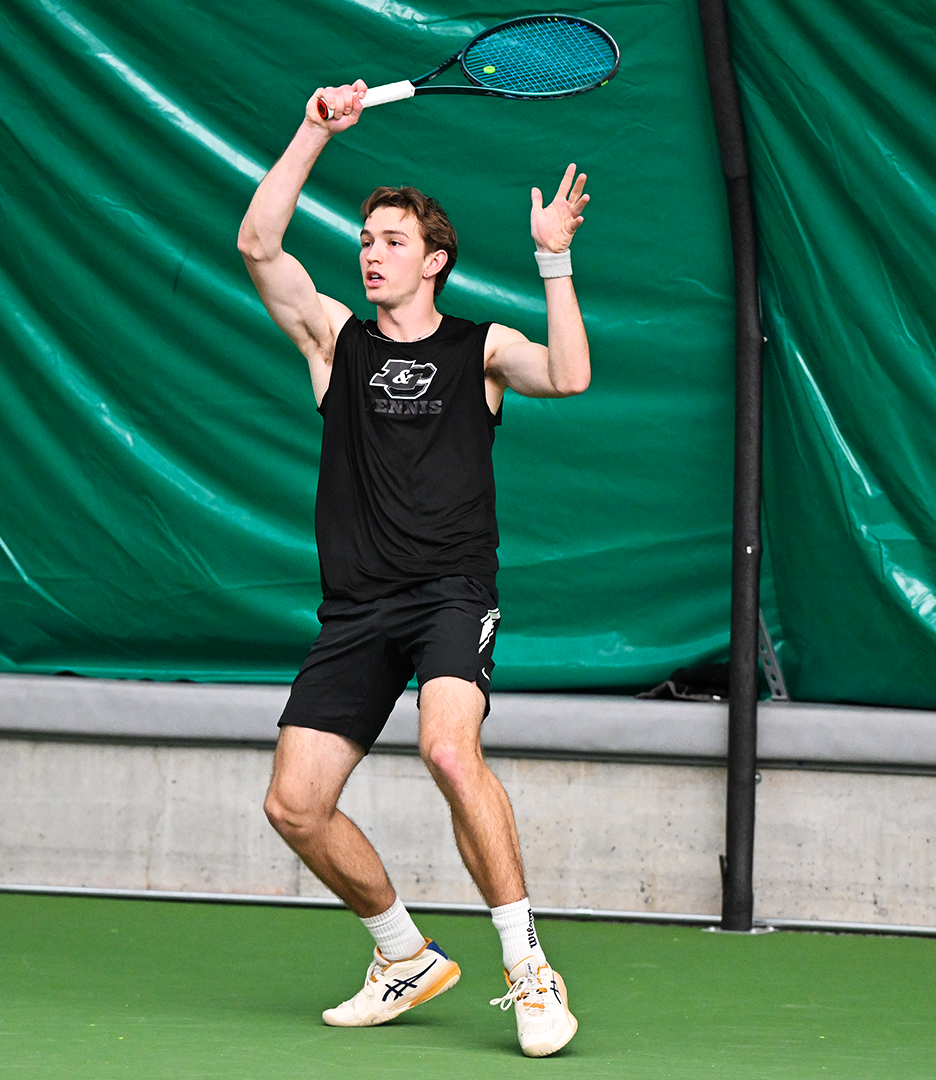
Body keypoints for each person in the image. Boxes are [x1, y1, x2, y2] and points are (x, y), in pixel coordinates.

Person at [236, 80, 592, 1057]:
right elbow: (259, 245)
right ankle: (403, 954)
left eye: (392, 241)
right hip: (355, 607)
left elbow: (570, 375)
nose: (371, 253)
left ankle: (528, 967)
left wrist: (553, 261)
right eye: (365, 240)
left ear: (435, 260)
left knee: (447, 750)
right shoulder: (334, 343)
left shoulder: (482, 350)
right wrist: (312, 130)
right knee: (294, 805)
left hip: (449, 595)